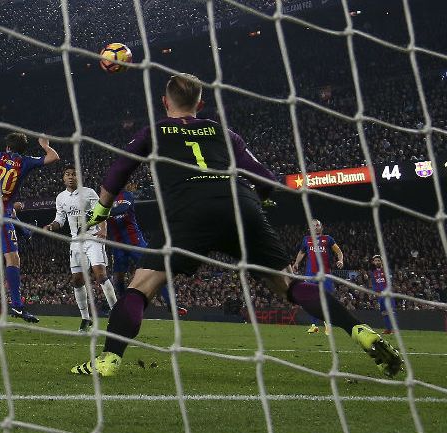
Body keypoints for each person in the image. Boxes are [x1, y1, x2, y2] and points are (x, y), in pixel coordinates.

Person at [70, 74, 403, 378]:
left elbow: (119, 170)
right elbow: (267, 179)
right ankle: (359, 329)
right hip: (240, 206)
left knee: (141, 288)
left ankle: (109, 360)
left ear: (164, 102)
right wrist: (260, 200)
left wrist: (101, 210)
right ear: (201, 104)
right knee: (288, 284)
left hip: (189, 212)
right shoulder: (223, 132)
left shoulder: (154, 132)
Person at [0, 133, 59, 323]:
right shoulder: (25, 161)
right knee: (13, 258)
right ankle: (17, 305)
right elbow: (54, 157)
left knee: (13, 215)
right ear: (23, 149)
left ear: (7, 147)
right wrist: (45, 145)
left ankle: (26, 232)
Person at [44, 165, 118, 332]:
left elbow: (101, 211)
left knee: (100, 274)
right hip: (76, 241)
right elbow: (60, 220)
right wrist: (50, 226)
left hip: (93, 237)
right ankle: (86, 319)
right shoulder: (61, 198)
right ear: (63, 178)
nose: (71, 177)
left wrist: (103, 229)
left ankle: (116, 314)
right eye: (67, 174)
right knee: (77, 280)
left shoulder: (89, 192)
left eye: (74, 174)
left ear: (79, 177)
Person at [106, 181, 187, 316]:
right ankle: (121, 306)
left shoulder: (126, 195)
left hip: (135, 242)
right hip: (118, 245)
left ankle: (172, 305)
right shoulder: (104, 199)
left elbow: (121, 209)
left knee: (153, 270)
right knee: (118, 277)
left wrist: (104, 210)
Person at [292, 219, 344, 335]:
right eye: (313, 225)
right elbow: (301, 252)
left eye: (317, 225)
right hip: (310, 275)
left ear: (321, 227)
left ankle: (328, 324)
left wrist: (341, 260)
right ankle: (314, 325)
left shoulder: (328, 239)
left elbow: (339, 251)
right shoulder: (306, 240)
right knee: (310, 300)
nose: (315, 227)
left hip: (325, 274)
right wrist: (296, 263)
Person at [370, 254, 396, 334]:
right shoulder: (373, 273)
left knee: (391, 311)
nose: (377, 262)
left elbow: (390, 282)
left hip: (388, 294)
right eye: (375, 261)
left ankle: (394, 329)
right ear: (373, 262)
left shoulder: (386, 271)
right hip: (380, 296)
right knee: (384, 312)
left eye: (378, 260)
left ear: (381, 262)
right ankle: (388, 329)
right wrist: (375, 292)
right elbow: (374, 284)